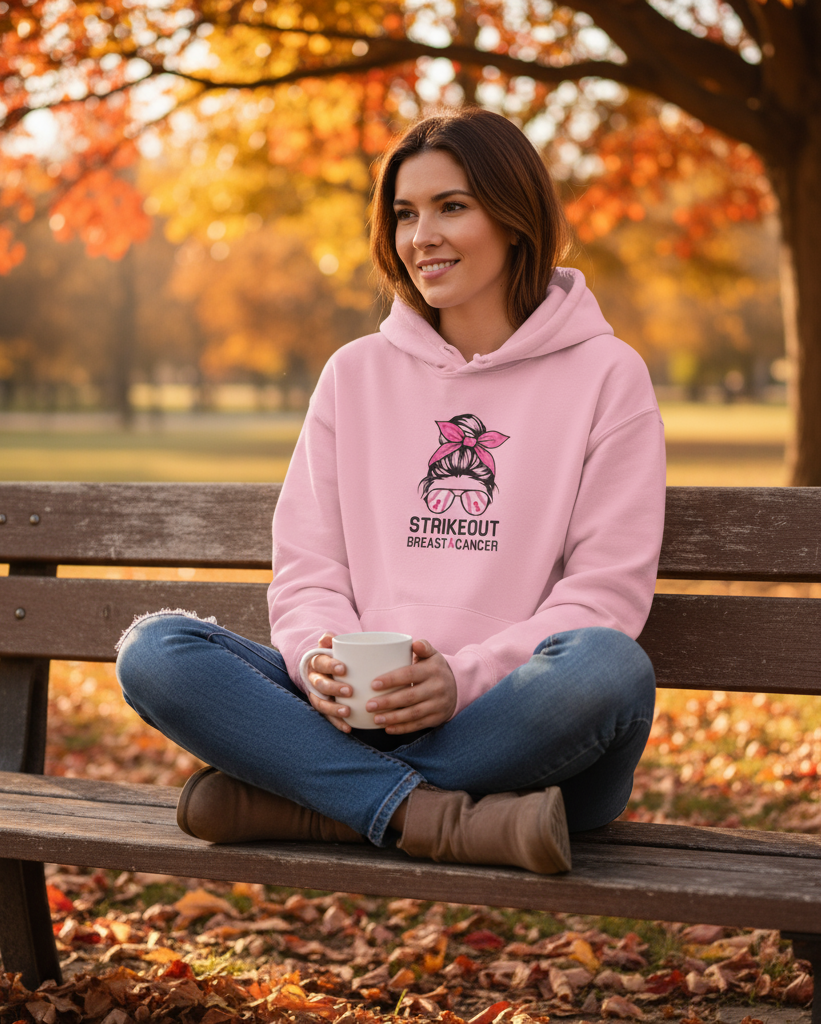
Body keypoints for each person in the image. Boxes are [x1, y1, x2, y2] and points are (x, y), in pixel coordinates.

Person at [116, 108, 665, 875]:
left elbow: (604, 597)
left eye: (452, 207)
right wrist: (320, 663)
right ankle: (431, 816)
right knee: (156, 650)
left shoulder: (608, 376)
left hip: (514, 722)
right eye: (405, 214)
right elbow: (309, 564)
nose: (421, 237)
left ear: (515, 218)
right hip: (355, 713)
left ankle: (312, 804)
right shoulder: (354, 374)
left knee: (609, 667)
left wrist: (458, 680)